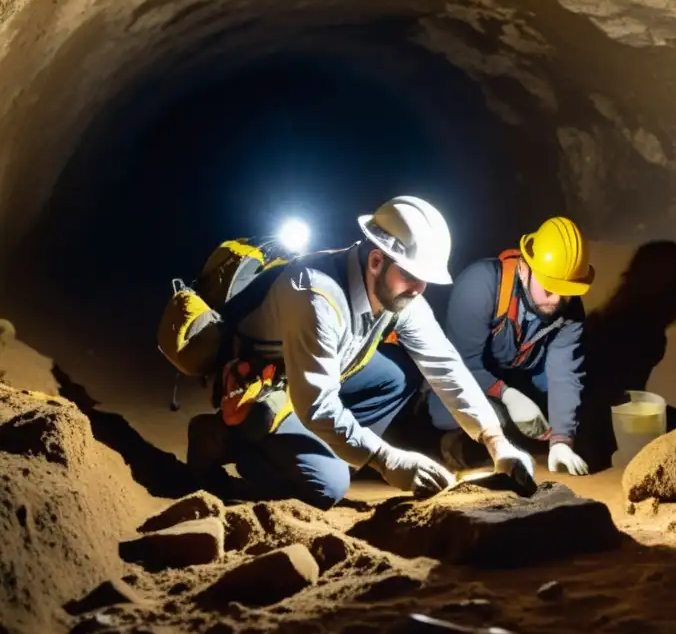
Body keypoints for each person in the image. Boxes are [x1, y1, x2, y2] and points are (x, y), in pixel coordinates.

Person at [186, 195, 535, 509]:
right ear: (376, 261)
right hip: (268, 388)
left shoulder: (399, 290)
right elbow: (317, 404)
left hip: (317, 375)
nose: (420, 288)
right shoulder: (315, 295)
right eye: (413, 275)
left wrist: (495, 440)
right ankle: (227, 441)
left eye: (425, 279)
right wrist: (386, 459)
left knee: (401, 375)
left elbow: (443, 363)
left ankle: (333, 443)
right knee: (328, 485)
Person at [427, 216, 594, 476]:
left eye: (567, 290)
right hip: (469, 375)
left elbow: (565, 374)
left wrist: (562, 439)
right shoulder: (479, 285)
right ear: (525, 269)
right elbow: (459, 365)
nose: (559, 298)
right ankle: (457, 441)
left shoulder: (569, 308)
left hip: (524, 375)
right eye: (550, 287)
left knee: (580, 404)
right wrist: (508, 395)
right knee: (466, 413)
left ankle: (537, 440)